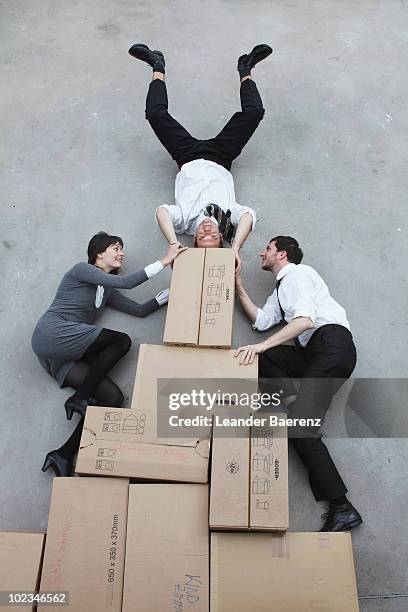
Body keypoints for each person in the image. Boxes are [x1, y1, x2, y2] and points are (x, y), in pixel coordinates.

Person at [234, 235, 363, 532]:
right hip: (315, 352)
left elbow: (304, 320)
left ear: (282, 254)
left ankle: (342, 508)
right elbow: (263, 320)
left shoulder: (298, 275)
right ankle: (291, 403)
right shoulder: (282, 289)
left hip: (331, 345)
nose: (262, 253)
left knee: (301, 428)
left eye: (267, 248)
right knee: (267, 358)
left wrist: (262, 345)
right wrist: (238, 286)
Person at [32, 231, 185, 476]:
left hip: (66, 358)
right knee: (121, 341)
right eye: (115, 248)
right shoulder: (81, 270)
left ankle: (63, 453)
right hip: (52, 332)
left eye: (121, 249)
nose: (121, 253)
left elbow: (139, 310)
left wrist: (172, 292)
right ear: (99, 254)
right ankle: (80, 397)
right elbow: (127, 282)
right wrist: (166, 260)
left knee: (112, 399)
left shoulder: (106, 291)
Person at [128, 43, 272, 271]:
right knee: (254, 113)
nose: (207, 232)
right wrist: (234, 249)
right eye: (213, 239)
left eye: (202, 238)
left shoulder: (184, 222)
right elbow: (249, 216)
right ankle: (245, 69)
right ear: (220, 240)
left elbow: (161, 212)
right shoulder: (229, 220)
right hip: (221, 156)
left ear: (193, 240)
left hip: (186, 155)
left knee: (155, 114)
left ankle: (157, 65)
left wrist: (174, 243)